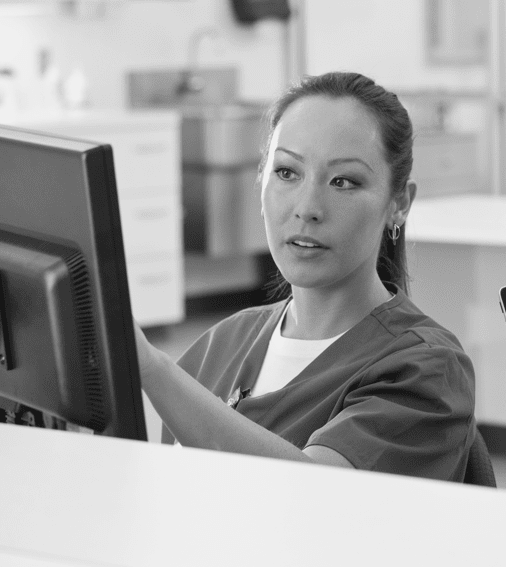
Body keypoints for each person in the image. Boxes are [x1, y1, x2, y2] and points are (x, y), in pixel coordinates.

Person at [134, 71, 476, 482]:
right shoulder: (220, 346)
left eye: (343, 181)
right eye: (286, 173)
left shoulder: (425, 368)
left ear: (398, 203)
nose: (308, 207)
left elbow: (316, 497)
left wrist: (152, 368)